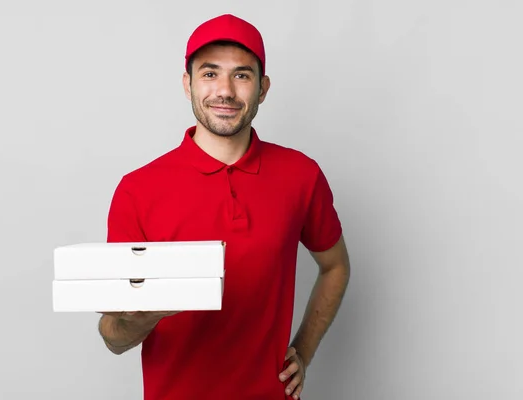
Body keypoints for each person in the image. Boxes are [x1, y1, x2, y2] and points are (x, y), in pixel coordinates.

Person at [97, 13, 350, 400]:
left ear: (263, 88)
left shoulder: (301, 175)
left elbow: (335, 266)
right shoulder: (138, 189)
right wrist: (144, 319)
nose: (225, 91)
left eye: (242, 75)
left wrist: (304, 350)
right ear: (188, 84)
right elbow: (113, 337)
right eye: (210, 74)